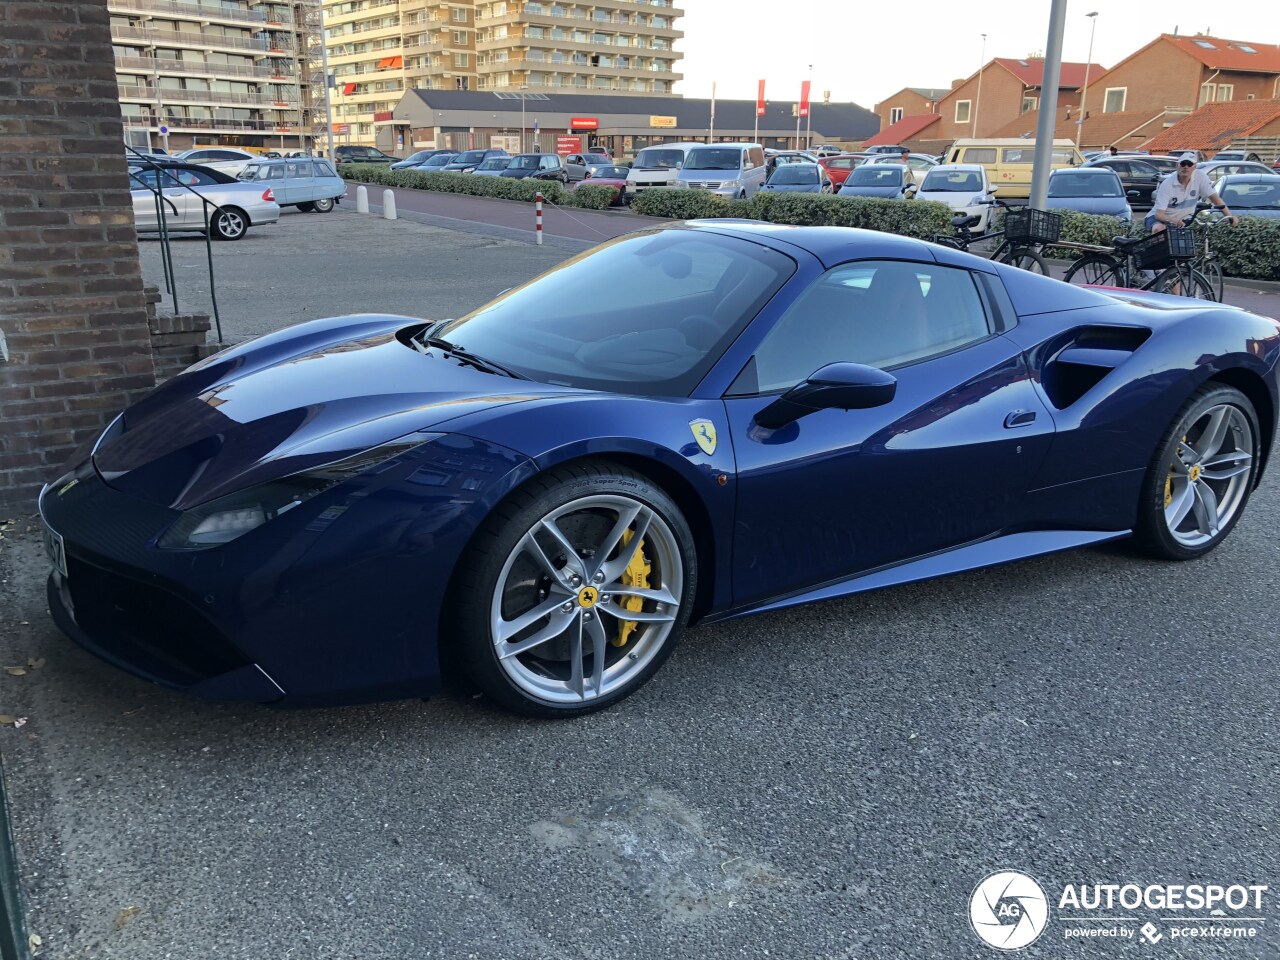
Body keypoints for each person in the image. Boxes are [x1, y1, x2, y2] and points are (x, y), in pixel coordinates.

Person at [1146, 152, 1237, 232]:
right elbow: (1159, 215)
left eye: (1189, 164)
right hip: (1159, 218)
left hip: (1184, 220)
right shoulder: (1167, 184)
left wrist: (1230, 217)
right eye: (1183, 164)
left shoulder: (1200, 177)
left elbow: (1215, 198)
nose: (1186, 167)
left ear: (1195, 167)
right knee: (1159, 229)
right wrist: (1174, 220)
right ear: (1177, 166)